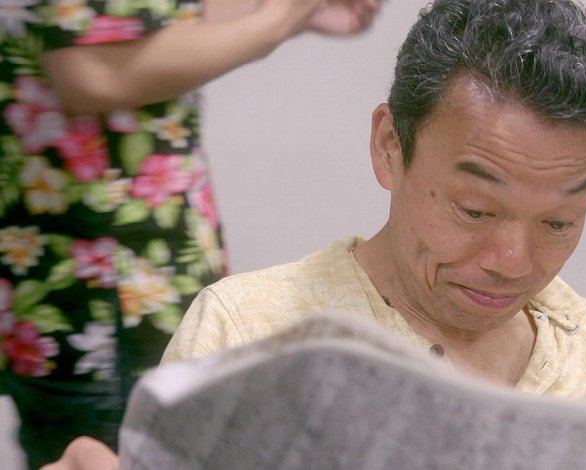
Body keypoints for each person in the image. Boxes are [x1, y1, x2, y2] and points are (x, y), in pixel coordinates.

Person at [43, 0, 586, 467]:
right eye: (474, 210)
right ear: (390, 146)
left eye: (558, 222)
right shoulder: (251, 331)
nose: (512, 261)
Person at [0, 0, 382, 468]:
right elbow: (90, 69)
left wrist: (290, 14)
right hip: (101, 298)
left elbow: (138, 20)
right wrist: (274, 20)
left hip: (126, 283)